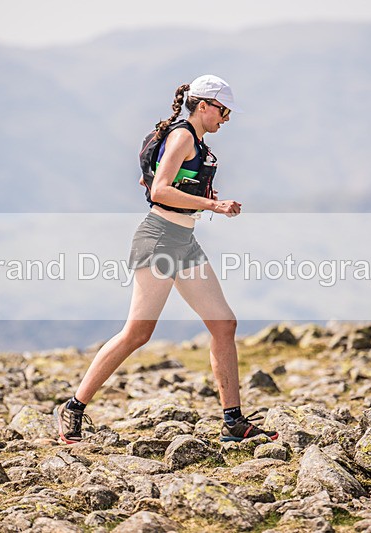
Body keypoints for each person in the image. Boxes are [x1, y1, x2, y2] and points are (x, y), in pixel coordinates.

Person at [53, 75, 278, 444]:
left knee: (224, 325)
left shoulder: (195, 142)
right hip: (158, 240)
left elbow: (165, 182)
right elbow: (159, 190)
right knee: (137, 333)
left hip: (183, 241)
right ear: (203, 105)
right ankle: (73, 407)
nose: (227, 118)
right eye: (223, 110)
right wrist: (213, 204)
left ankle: (233, 422)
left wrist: (195, 193)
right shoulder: (183, 136)